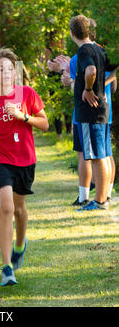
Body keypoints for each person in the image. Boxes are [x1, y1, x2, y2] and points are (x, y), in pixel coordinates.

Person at [0, 47, 49, 286]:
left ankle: (20, 244)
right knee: (6, 207)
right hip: (0, 158)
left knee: (19, 209)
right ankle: (6, 267)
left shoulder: (26, 93)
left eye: (9, 69)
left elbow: (45, 124)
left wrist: (22, 116)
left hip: (25, 159)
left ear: (14, 72)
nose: (5, 73)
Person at [68, 15, 118, 211]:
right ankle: (103, 198)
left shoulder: (84, 50)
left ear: (73, 34)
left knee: (96, 156)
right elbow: (115, 68)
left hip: (90, 111)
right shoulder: (100, 49)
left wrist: (89, 89)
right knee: (103, 154)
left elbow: (90, 70)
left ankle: (99, 201)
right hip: (102, 110)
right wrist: (101, 86)